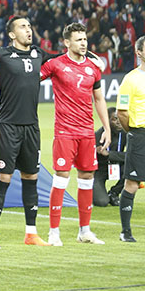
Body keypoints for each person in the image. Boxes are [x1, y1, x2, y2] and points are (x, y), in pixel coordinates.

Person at [40, 22, 110, 246]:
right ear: (66, 42)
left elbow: (99, 99)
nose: (83, 43)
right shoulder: (56, 65)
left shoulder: (93, 68)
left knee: (87, 178)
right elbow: (32, 78)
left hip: (87, 132)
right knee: (61, 177)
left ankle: (85, 231)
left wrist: (107, 128)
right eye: (78, 39)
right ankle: (53, 232)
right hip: (64, 131)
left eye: (85, 39)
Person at [0, 16, 52, 246]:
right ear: (12, 34)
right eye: (23, 27)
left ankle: (31, 233)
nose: (28, 30)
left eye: (29, 26)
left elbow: (62, 62)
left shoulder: (38, 54)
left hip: (31, 127)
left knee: (31, 177)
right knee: (3, 177)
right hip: (8, 126)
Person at [115, 35, 145, 243]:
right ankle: (125, 231)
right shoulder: (130, 79)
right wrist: (131, 132)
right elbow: (122, 111)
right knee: (132, 183)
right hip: (139, 134)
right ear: (139, 52)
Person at [94, 107, 126, 207]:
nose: (118, 122)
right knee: (102, 202)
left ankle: (114, 193)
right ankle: (93, 190)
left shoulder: (126, 134)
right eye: (114, 119)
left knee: (136, 167)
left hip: (118, 167)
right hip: (100, 171)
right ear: (106, 120)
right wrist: (95, 152)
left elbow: (133, 156)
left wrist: (109, 154)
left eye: (120, 119)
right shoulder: (97, 135)